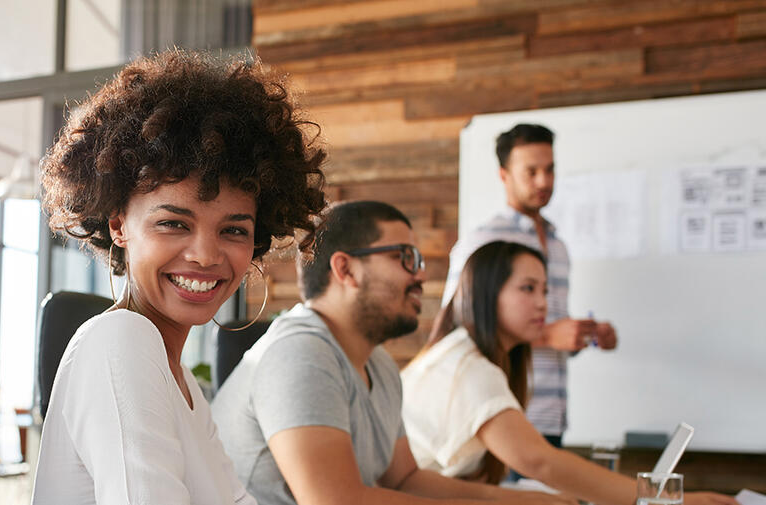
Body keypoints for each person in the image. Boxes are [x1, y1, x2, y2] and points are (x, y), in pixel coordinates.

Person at [30, 49, 327, 504]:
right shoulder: (120, 340)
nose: (207, 256)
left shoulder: (183, 383)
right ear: (119, 225)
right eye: (173, 223)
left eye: (233, 230)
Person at [211, 201, 572, 505]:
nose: (420, 275)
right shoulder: (299, 353)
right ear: (346, 269)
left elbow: (405, 481)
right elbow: (338, 502)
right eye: (405, 257)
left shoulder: (378, 363)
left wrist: (526, 500)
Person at [401, 241, 737, 505]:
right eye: (527, 288)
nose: (543, 304)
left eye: (544, 290)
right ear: (488, 294)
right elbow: (540, 462)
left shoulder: (468, 354)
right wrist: (670, 498)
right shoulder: (469, 368)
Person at [442, 123, 616, 450]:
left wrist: (583, 336)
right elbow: (457, 326)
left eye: (550, 170)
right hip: (501, 413)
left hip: (552, 417)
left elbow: (540, 325)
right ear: (504, 175)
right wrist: (549, 335)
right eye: (531, 171)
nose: (544, 181)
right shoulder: (484, 241)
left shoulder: (559, 247)